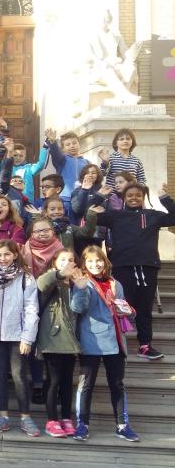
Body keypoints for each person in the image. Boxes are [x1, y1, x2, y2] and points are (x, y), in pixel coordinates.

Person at [95, 183, 175, 360]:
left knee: (144, 309)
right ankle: (112, 343)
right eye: (129, 195)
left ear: (143, 197)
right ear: (124, 198)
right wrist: (99, 196)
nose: (133, 198)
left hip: (148, 267)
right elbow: (90, 213)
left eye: (138, 195)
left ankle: (145, 346)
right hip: (123, 267)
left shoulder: (153, 215)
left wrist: (165, 198)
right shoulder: (115, 216)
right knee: (119, 306)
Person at [70, 246, 140, 442]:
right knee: (86, 385)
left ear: (105, 261)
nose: (95, 264)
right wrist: (81, 289)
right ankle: (82, 424)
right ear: (84, 264)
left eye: (98, 260)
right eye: (90, 261)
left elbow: (123, 307)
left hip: (116, 341)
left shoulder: (115, 283)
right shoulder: (84, 282)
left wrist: (127, 311)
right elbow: (77, 308)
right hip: (91, 339)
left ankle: (122, 425)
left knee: (117, 385)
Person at [0, 240, 41, 437]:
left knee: (20, 376)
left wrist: (28, 338)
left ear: (15, 255)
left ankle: (25, 417)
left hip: (18, 335)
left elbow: (32, 309)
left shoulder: (26, 277)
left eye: (7, 254)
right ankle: (3, 415)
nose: (3, 259)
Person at [35, 249, 82, 438]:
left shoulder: (76, 282)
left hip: (71, 339)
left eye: (71, 259)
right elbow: (41, 284)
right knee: (53, 380)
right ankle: (52, 420)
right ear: (55, 262)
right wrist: (59, 274)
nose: (68, 262)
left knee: (67, 381)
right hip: (52, 338)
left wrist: (81, 287)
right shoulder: (50, 277)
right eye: (63, 259)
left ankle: (66, 418)